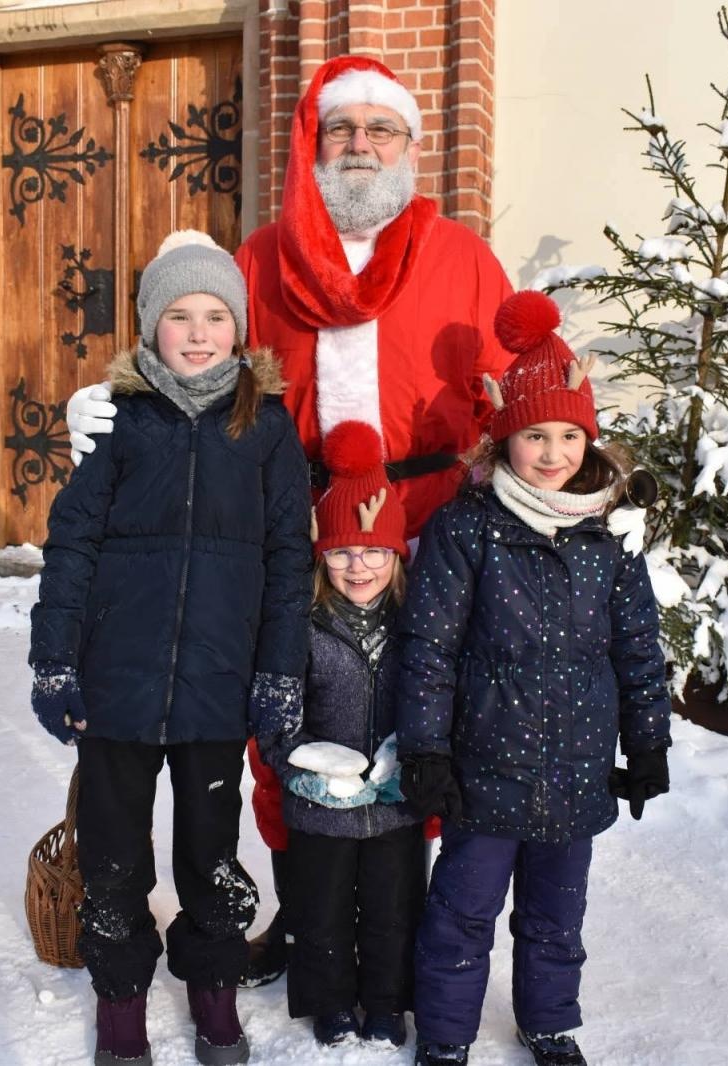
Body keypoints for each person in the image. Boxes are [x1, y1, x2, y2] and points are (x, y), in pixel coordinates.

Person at [67, 54, 517, 987]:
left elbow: (509, 399)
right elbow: (203, 374)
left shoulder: (464, 258)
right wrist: (116, 418)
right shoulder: (261, 260)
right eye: (340, 129)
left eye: (378, 129)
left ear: (409, 144)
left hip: (423, 525)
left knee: (413, 715)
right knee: (287, 721)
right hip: (292, 522)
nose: (359, 146)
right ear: (314, 143)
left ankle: (397, 921)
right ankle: (303, 917)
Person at [29, 230, 312, 1066]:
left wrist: (279, 669)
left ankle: (213, 992)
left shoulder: (265, 430)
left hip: (218, 688)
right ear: (151, 326)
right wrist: (55, 661)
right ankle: (120, 1003)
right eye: (179, 315)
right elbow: (70, 547)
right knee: (114, 857)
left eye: (215, 315)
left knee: (209, 854)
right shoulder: (118, 422)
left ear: (239, 328)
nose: (197, 332)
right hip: (118, 683)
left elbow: (289, 559)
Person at [395, 291, 674, 1066]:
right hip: (484, 767)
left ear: (588, 438)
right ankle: (447, 1037)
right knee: (461, 912)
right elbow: (430, 648)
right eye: (532, 435)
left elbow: (638, 648)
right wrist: (426, 750)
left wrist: (648, 744)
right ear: (503, 437)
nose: (551, 453)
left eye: (566, 435)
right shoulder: (467, 527)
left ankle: (550, 1023)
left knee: (556, 915)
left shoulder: (610, 535)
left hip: (576, 767)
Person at [254, 420, 426, 1050]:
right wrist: (297, 768)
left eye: (375, 551)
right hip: (318, 804)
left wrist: (416, 761)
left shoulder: (415, 625)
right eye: (344, 552)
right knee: (319, 909)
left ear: (396, 556)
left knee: (392, 909)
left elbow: (434, 698)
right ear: (322, 556)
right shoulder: (301, 623)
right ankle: (328, 1001)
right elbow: (275, 708)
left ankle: (386, 1002)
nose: (361, 566)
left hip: (394, 803)